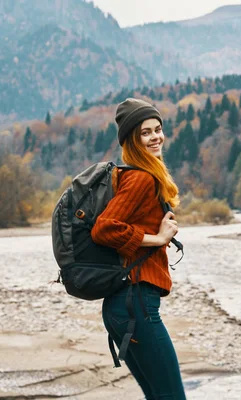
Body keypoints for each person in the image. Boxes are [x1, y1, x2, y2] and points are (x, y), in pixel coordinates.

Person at [91, 98, 186, 399]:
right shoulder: (141, 178)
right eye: (146, 132)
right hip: (136, 305)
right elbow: (103, 228)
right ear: (132, 139)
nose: (156, 137)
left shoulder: (135, 175)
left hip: (125, 305)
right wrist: (157, 239)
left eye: (158, 129)